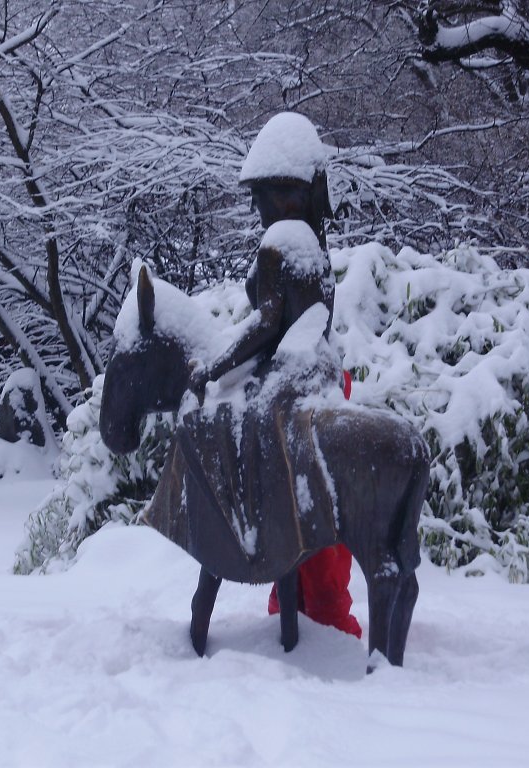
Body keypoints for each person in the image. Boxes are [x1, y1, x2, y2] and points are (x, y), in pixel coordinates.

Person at [187, 112, 362, 640]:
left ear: (293, 192)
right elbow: (303, 316)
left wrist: (217, 365)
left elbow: (271, 322)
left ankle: (250, 537)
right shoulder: (309, 243)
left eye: (266, 194)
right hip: (320, 372)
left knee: (258, 451)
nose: (261, 207)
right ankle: (297, 601)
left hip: (298, 377)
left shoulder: (283, 241)